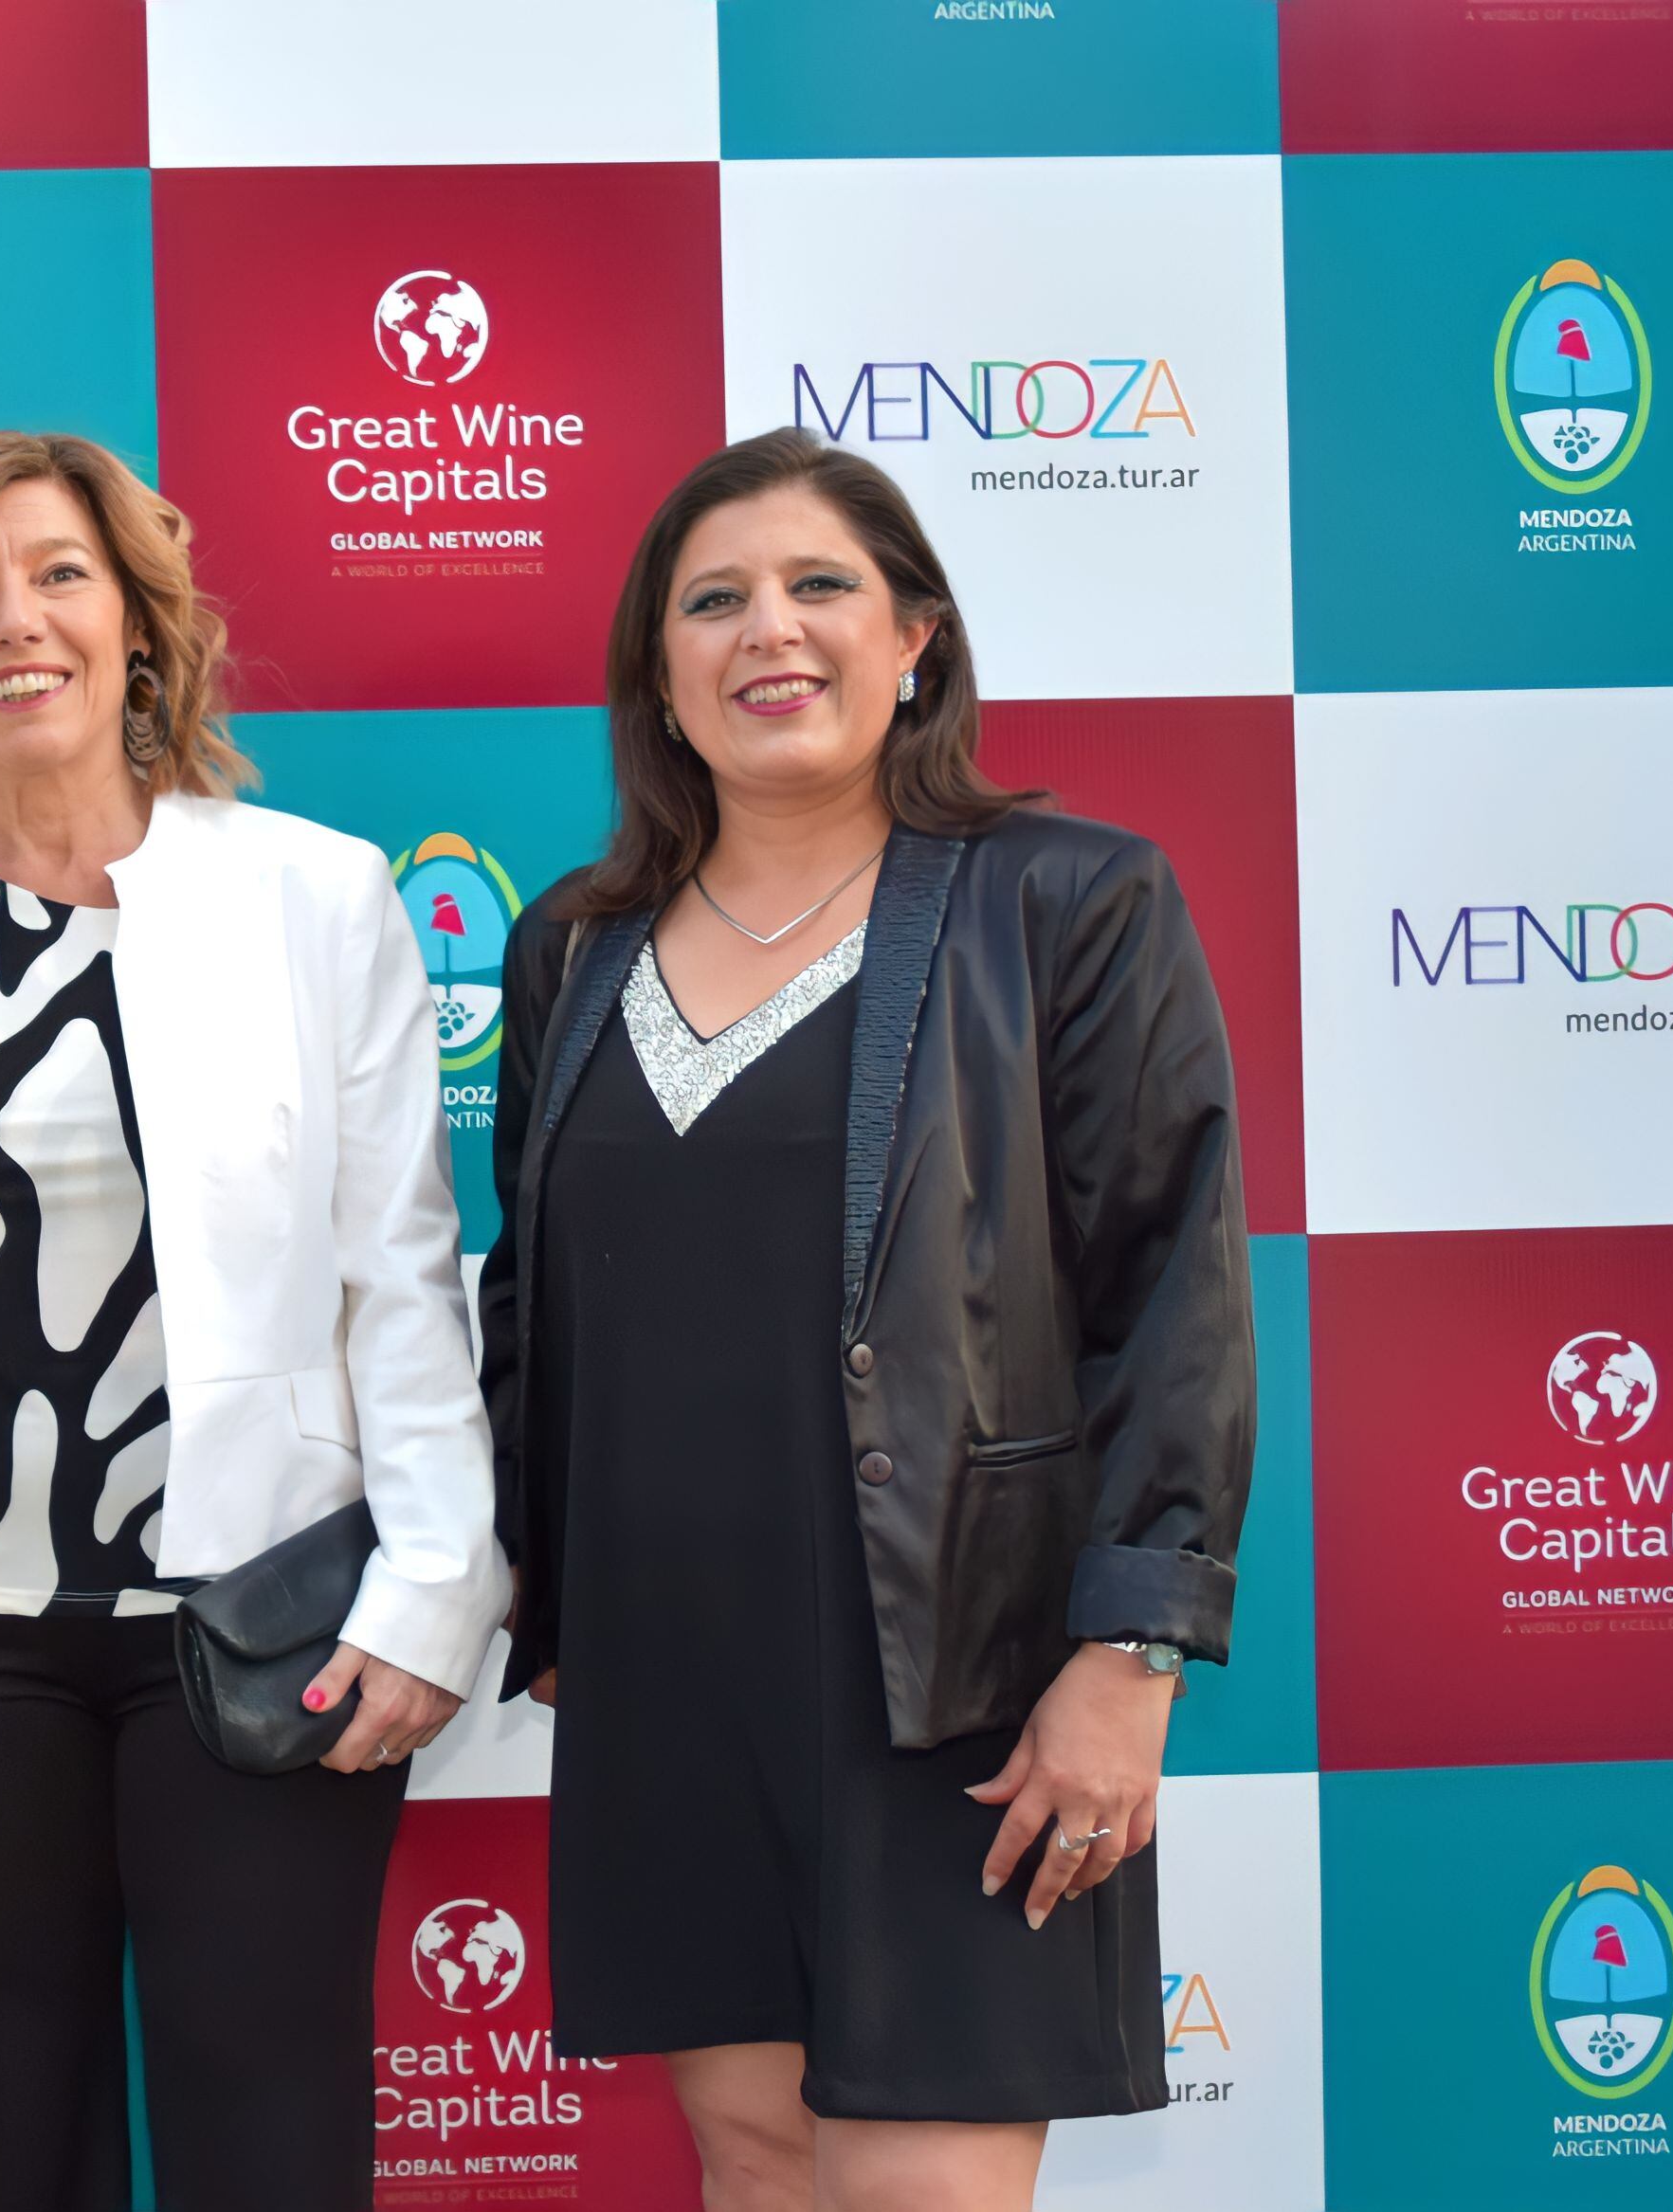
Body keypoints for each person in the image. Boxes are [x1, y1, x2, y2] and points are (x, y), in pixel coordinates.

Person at [482, 426, 1253, 2209]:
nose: (774, 629)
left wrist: (1127, 1660)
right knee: (755, 2167)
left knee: (920, 2183)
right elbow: (532, 1296)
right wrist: (552, 1597)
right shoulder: (573, 949)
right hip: (672, 1677)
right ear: (661, 677)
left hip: (957, 1684)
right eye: (716, 600)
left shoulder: (1072, 903)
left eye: (823, 585)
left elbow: (1174, 1295)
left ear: (918, 639)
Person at [0, 429, 510, 2210]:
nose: (14, 620)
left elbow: (401, 1271)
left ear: (140, 626)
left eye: (58, 574)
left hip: (261, 1622)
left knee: (271, 2142)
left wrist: (430, 1589)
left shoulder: (315, 897)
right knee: (8, 2146)